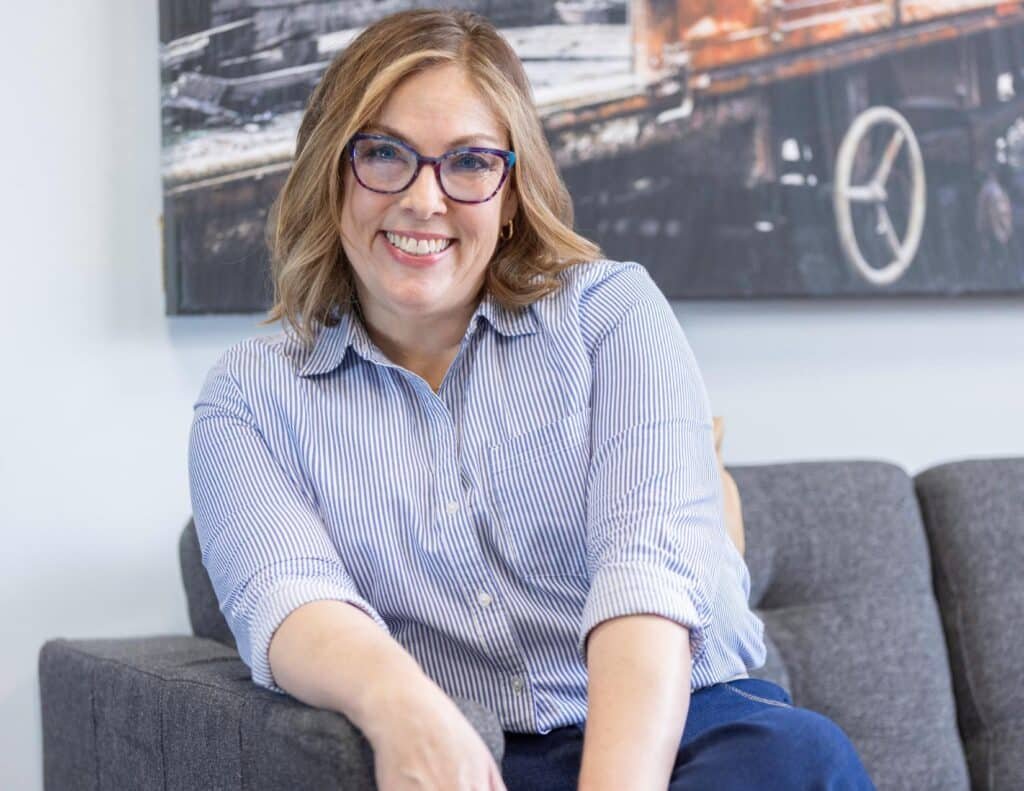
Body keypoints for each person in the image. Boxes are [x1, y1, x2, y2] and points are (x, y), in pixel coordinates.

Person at [188, 9, 874, 790]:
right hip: (474, 748)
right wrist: (404, 709)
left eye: (470, 163)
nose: (424, 198)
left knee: (803, 759)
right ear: (332, 169)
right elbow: (285, 596)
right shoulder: (249, 398)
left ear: (511, 195)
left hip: (682, 724)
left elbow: (644, 576)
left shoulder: (610, 316)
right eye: (383, 153)